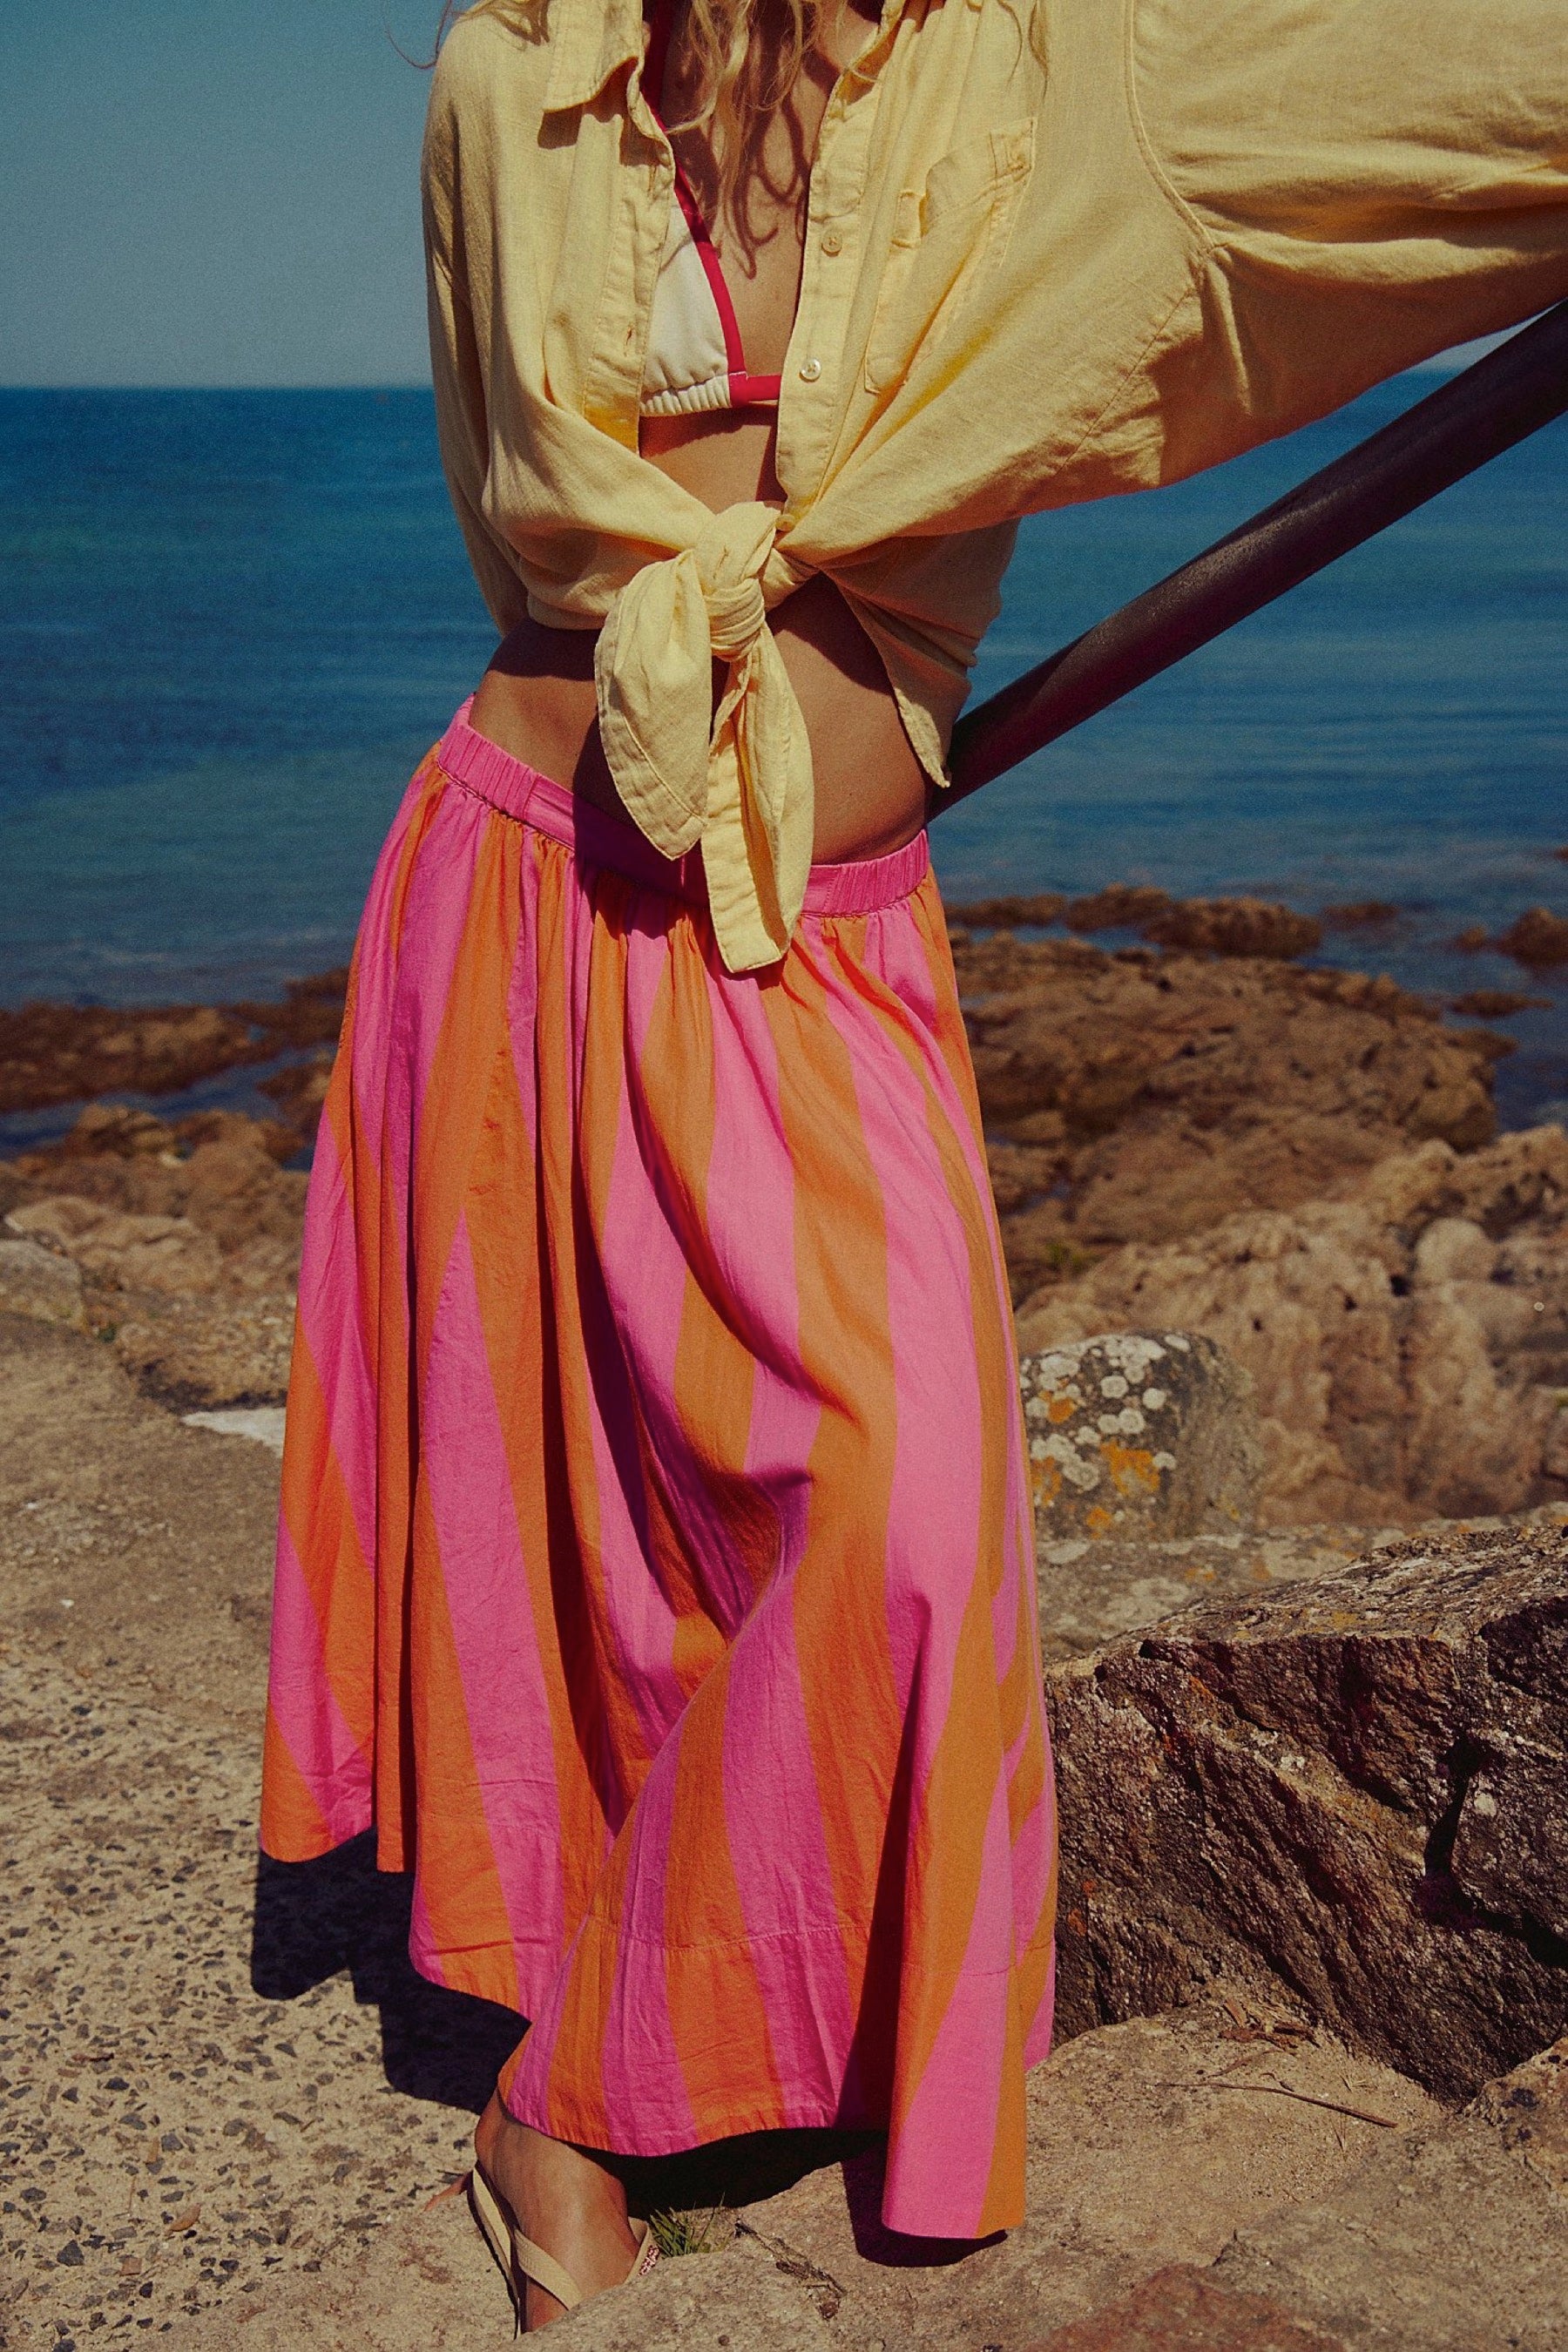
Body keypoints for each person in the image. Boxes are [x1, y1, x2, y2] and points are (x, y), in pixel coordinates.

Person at [260, 0, 1568, 2326]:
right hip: (521, 876)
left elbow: (1452, 91)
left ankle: (608, 2065)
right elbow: (516, 513)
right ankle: (587, 2053)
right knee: (576, 1516)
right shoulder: (508, 80)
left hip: (808, 935)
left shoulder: (1034, 76)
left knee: (902, 1511)